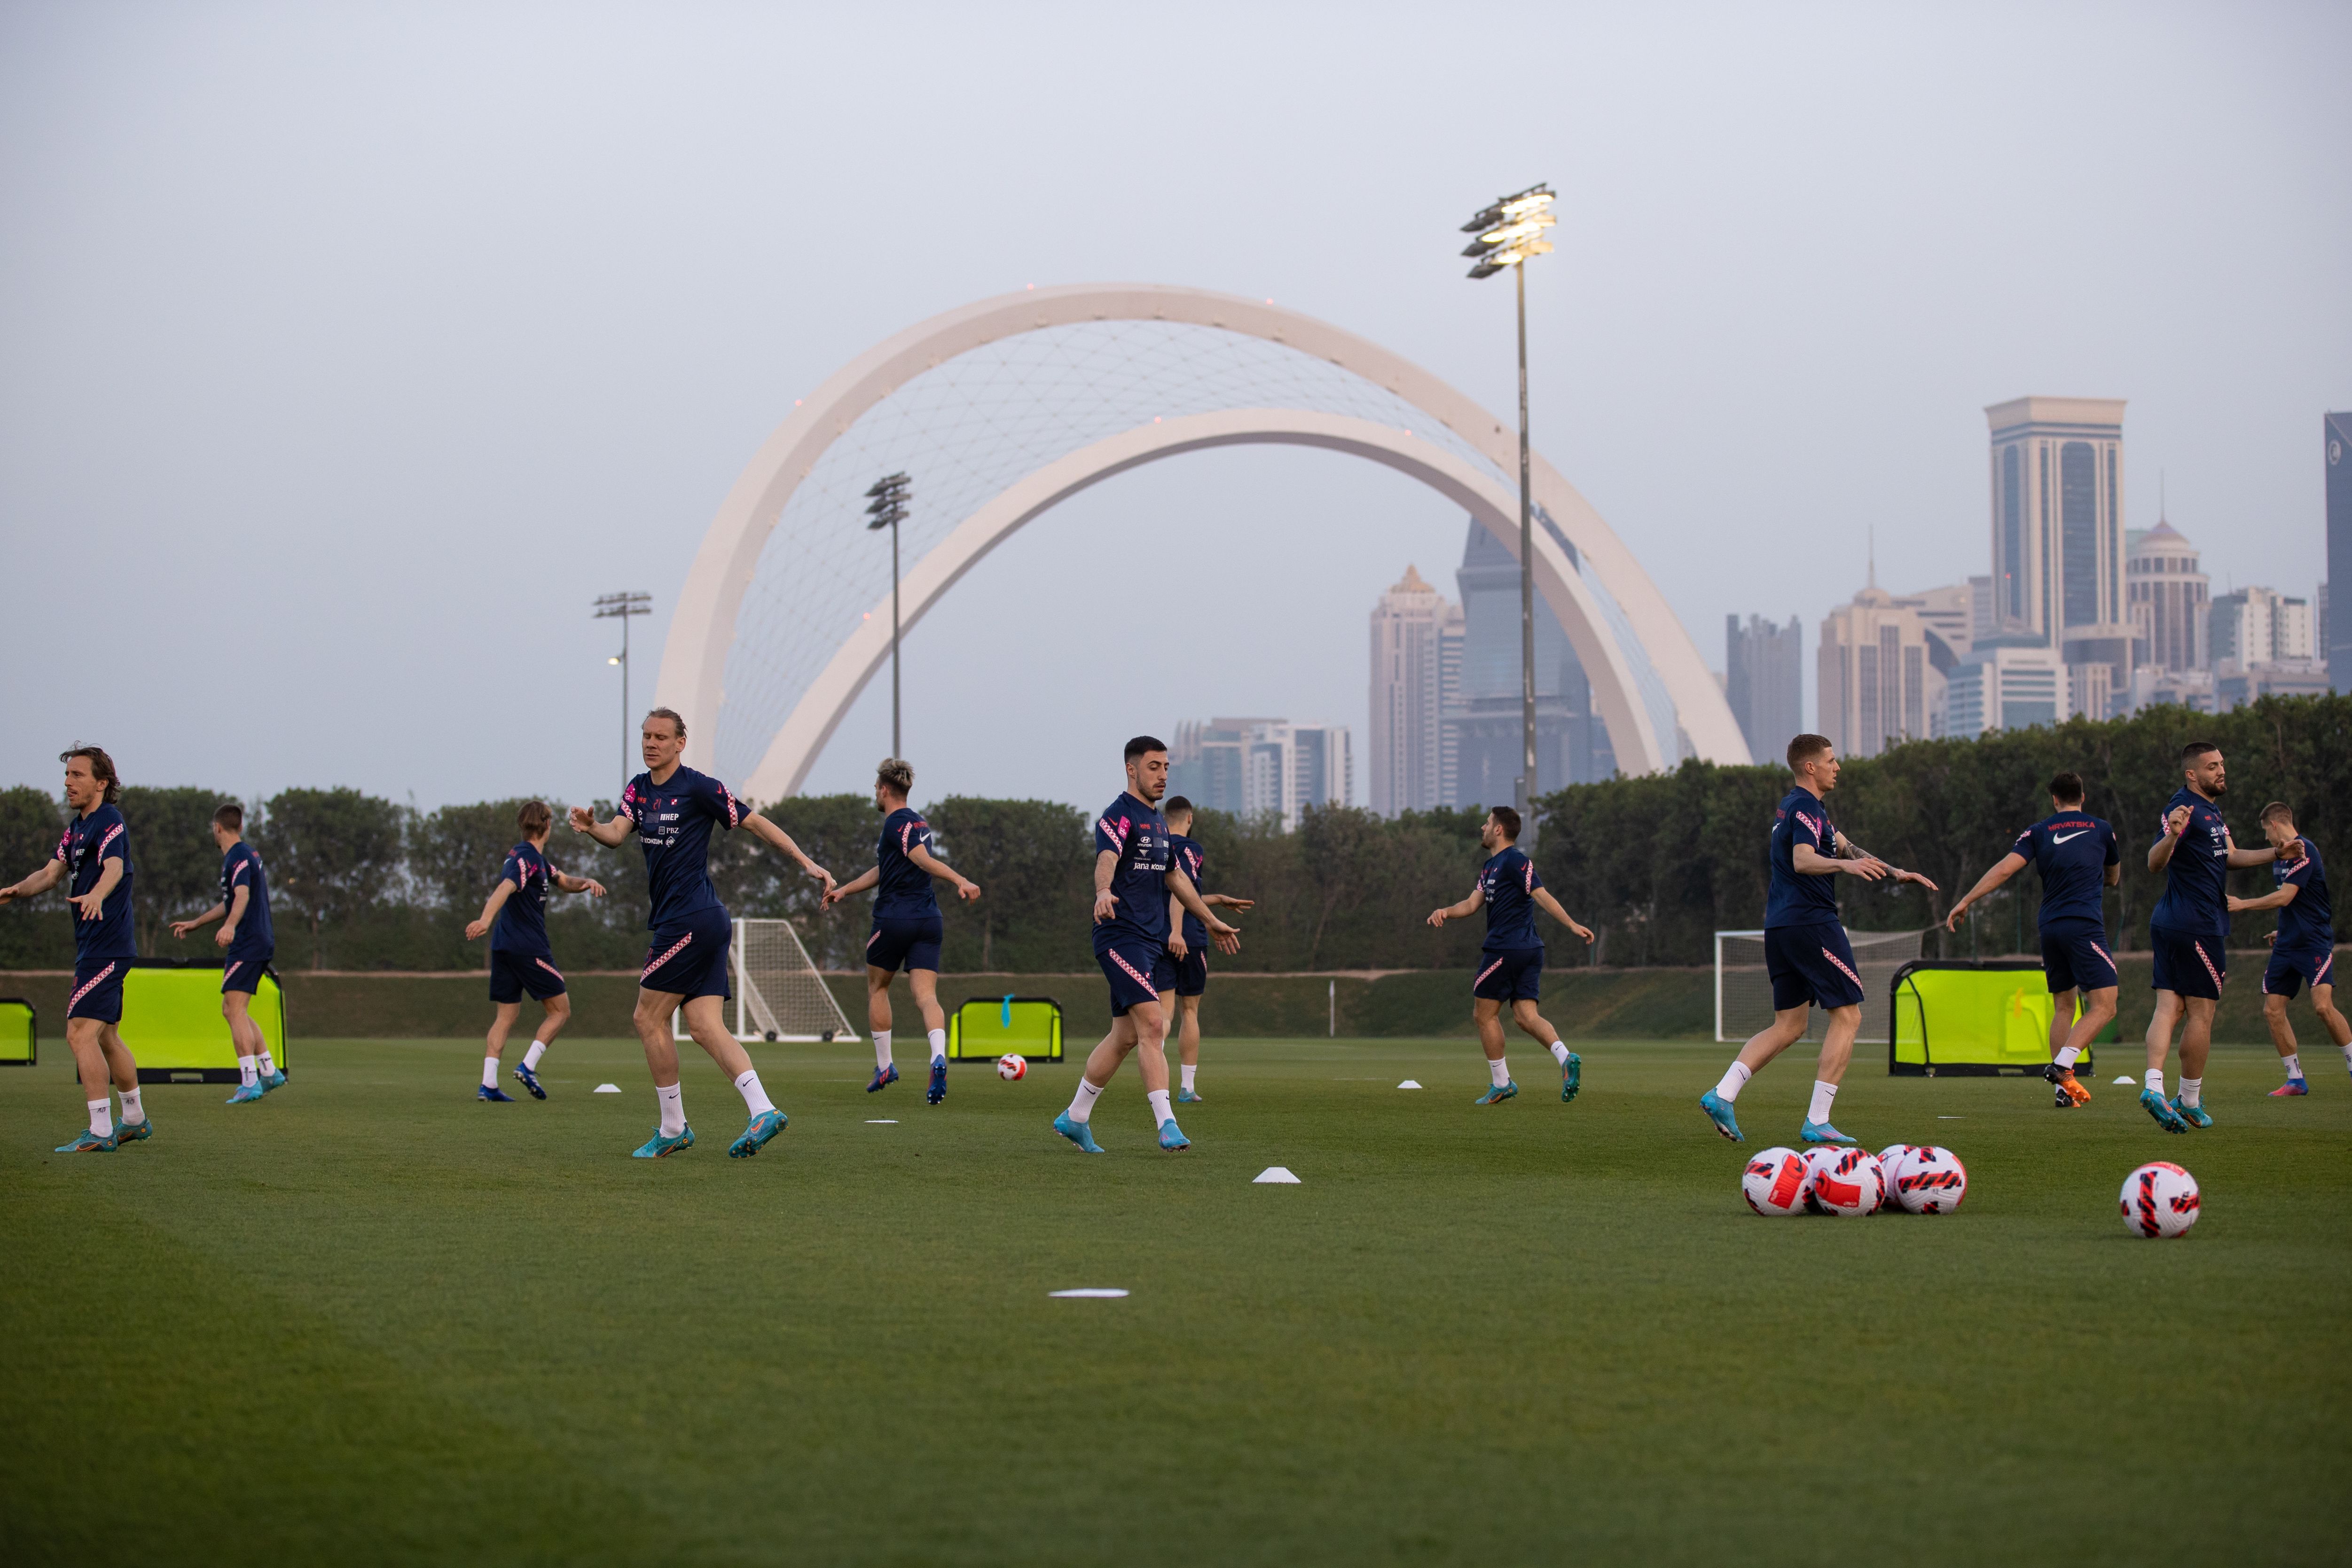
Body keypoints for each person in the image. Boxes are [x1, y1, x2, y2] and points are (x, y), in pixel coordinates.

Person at [569, 708, 835, 1158]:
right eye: (646, 736)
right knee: (705, 1027)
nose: (651, 743)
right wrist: (592, 827)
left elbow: (754, 822)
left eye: (661, 737)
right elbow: (616, 834)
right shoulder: (638, 789)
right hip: (698, 921)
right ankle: (763, 1109)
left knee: (646, 1019)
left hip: (690, 920)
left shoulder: (699, 787)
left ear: (680, 743)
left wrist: (805, 862)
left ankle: (674, 1128)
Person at [1699, 734, 1938, 1145]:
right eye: (1831, 760)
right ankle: (1818, 1120)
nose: (1837, 766)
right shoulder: (1805, 807)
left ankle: (1722, 1094)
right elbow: (1803, 859)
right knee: (1848, 1017)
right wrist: (1846, 870)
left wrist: (1896, 872)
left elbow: (1847, 848)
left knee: (1789, 1025)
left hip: (1781, 926)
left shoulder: (1802, 810)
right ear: (1810, 767)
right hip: (1811, 924)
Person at [1053, 736, 1240, 1154]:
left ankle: (1075, 1118)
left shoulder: (1157, 823)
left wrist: (1211, 922)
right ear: (1131, 769)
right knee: (1155, 1025)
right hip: (1120, 936)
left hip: (1150, 943)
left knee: (1125, 1036)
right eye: (1154, 767)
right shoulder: (1117, 817)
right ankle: (1167, 1124)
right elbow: (1106, 859)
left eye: (1167, 767)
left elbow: (1177, 879)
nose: (1163, 775)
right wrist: (1103, 891)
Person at [0, 747, 150, 1152]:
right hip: (96, 947)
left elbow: (115, 869)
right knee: (107, 1038)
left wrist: (98, 894)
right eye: (68, 775)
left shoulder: (110, 822)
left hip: (107, 947)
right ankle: (134, 1120)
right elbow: (51, 872)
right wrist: (16, 891)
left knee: (78, 1034)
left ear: (102, 783)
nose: (69, 782)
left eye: (78, 775)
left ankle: (101, 1131)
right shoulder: (77, 828)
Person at [1942, 772, 2121, 1108]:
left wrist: (1967, 900)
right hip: (2083, 924)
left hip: (2050, 927)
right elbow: (2114, 876)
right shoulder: (2101, 828)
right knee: (2106, 1004)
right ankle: (2063, 1065)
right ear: (2082, 797)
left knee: (2064, 1006)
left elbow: (2005, 869)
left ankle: (2062, 1091)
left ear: (2054, 800)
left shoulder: (2038, 832)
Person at [2142, 740, 2286, 1132]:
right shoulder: (2184, 809)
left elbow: (2232, 856)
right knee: (2202, 1014)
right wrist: (2171, 835)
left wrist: (2277, 853)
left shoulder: (2211, 811)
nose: (2221, 771)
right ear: (2192, 775)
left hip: (2171, 922)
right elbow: (2155, 862)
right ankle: (2188, 1100)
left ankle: (2154, 1087)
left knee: (2168, 1008)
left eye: (2221, 764)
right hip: (2197, 925)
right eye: (2211, 767)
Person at [821, 758, 980, 1105]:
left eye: (876, 789)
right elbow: (886, 868)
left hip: (895, 920)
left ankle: (885, 1066)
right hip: (928, 921)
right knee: (926, 997)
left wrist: (960, 880)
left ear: (885, 790)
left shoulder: (897, 823)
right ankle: (938, 1055)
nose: (875, 795)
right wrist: (845, 889)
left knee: (878, 988)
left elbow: (921, 858)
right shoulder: (918, 822)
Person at [1425, 806, 1594, 1104]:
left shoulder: (1516, 860)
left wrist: (1571, 924)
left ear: (1499, 829)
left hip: (1507, 948)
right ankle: (1566, 1059)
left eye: (1488, 823)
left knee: (1483, 1014)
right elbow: (1471, 904)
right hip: (1527, 950)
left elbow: (1541, 894)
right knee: (1525, 1017)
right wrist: (1445, 912)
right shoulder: (1490, 868)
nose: (1483, 827)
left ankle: (1502, 1083)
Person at [463, 800, 607, 1102]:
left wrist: (588, 882)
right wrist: (485, 919)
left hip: (504, 947)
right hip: (527, 947)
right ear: (547, 825)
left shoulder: (532, 859)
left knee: (506, 1016)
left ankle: (488, 1085)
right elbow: (505, 888)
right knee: (560, 1010)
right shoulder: (525, 860)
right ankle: (528, 1067)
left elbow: (564, 881)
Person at [2227, 800, 2347, 1097]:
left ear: (2276, 825)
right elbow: (2300, 903)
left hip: (2314, 943)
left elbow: (2285, 897)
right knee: (2273, 1010)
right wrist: (2283, 930)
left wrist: (2244, 904)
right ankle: (2295, 1079)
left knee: (2322, 1007)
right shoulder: (2281, 858)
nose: (2266, 838)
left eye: (2266, 831)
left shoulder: (2305, 852)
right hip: (2287, 945)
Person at [169, 802, 285, 1104]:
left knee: (233, 1010)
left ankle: (250, 1081)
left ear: (217, 828)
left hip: (248, 941)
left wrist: (231, 927)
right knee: (236, 1010)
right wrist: (197, 923)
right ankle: (269, 1071)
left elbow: (242, 896)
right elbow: (232, 900)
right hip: (257, 940)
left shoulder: (238, 856)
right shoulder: (245, 854)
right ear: (241, 827)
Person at [1158, 795, 1253, 1105]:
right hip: (1188, 937)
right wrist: (1177, 931)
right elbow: (1180, 890)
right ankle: (1186, 1088)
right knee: (1190, 1011)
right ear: (1190, 818)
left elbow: (1190, 893)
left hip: (1158, 937)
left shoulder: (1155, 846)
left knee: (1165, 1013)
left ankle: (1155, 1078)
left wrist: (1219, 898)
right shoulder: (1190, 848)